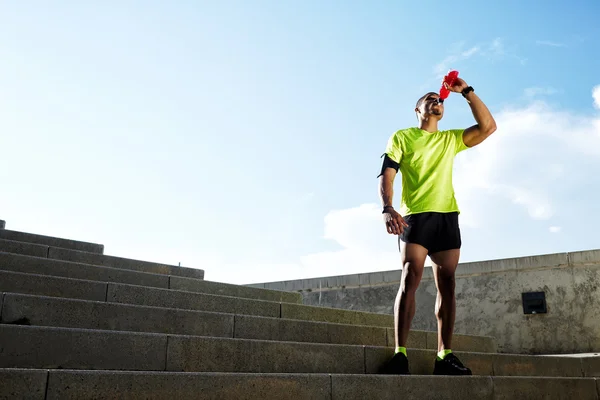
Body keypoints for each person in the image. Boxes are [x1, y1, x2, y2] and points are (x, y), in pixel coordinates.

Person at [377, 76, 496, 375]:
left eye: (439, 99)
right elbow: (387, 174)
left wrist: (466, 92)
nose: (437, 101)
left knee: (448, 284)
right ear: (417, 110)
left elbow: (488, 127)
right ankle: (400, 354)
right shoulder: (402, 137)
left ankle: (444, 356)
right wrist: (387, 208)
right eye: (429, 98)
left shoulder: (450, 139)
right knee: (410, 277)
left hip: (447, 218)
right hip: (415, 217)